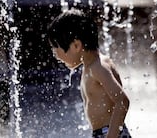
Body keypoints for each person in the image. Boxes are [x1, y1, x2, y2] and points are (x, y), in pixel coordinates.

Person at [47, 8, 131, 138]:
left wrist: (111, 136)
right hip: (103, 132)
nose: (56, 55)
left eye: (56, 48)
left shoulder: (98, 67)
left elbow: (122, 100)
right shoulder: (91, 66)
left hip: (109, 133)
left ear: (76, 45)